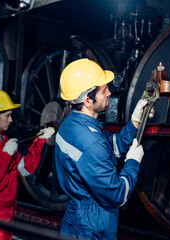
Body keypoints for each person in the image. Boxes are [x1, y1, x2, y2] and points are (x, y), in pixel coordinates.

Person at [55, 58, 151, 239]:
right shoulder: (89, 141)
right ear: (88, 100)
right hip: (91, 225)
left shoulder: (72, 125)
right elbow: (117, 194)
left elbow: (111, 147)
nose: (109, 92)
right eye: (103, 90)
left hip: (79, 216)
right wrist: (132, 162)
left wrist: (135, 121)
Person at [0, 89, 55, 240]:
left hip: (4, 216)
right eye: (7, 115)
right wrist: (5, 155)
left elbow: (25, 168)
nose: (11, 120)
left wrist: (39, 141)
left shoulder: (5, 141)